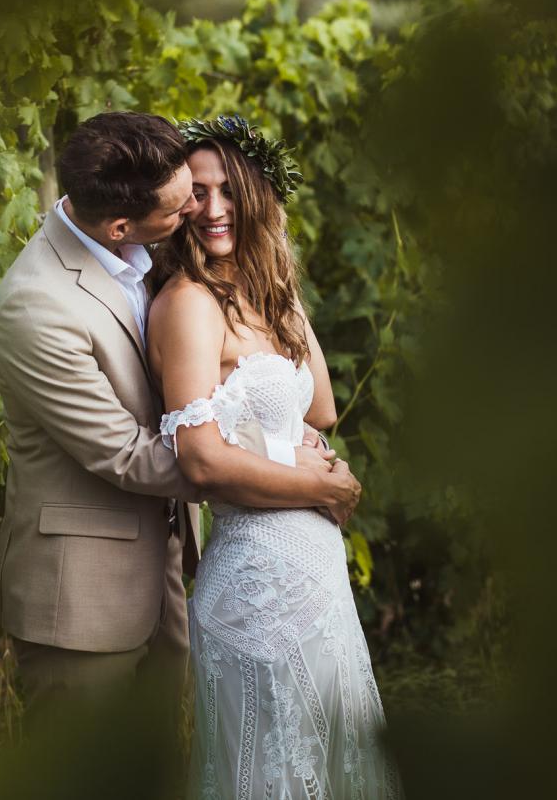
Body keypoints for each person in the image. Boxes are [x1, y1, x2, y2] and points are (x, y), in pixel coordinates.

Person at [0, 111, 362, 723]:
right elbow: (126, 453)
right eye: (183, 200)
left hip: (164, 572)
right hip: (81, 594)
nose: (196, 207)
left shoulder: (143, 255)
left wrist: (270, 271)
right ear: (121, 225)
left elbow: (308, 403)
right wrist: (293, 473)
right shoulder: (38, 307)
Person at [148, 115, 402, 799]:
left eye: (231, 190)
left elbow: (317, 406)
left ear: (258, 196)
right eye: (197, 193)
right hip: (256, 584)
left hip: (312, 576)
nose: (214, 209)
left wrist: (276, 269)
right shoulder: (190, 305)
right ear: (175, 204)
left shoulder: (259, 296)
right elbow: (200, 463)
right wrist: (320, 489)